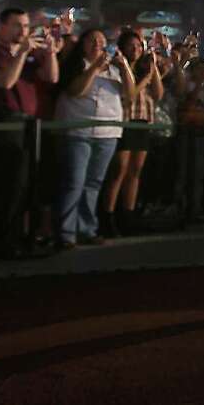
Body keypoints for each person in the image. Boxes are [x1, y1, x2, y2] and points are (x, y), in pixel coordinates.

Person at [0, 8, 58, 259]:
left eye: (25, 26)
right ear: (2, 27)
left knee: (23, 187)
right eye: (16, 26)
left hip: (28, 124)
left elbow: (52, 77)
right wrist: (22, 53)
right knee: (5, 187)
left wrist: (50, 53)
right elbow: (5, 82)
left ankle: (15, 240)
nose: (23, 31)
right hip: (5, 124)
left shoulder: (29, 54)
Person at [53, 29, 133, 249]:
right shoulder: (75, 65)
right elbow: (76, 91)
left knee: (93, 183)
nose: (98, 44)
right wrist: (96, 67)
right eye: (92, 40)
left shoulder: (114, 70)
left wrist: (124, 66)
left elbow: (130, 95)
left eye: (102, 41)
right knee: (74, 182)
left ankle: (87, 229)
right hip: (79, 132)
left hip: (107, 134)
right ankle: (65, 233)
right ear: (83, 44)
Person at [100, 29, 163, 237]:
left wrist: (153, 72)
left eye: (139, 46)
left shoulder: (144, 68)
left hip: (142, 121)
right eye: (131, 46)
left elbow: (158, 94)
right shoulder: (118, 67)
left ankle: (129, 214)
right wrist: (145, 78)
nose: (135, 50)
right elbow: (130, 95)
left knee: (136, 171)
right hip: (125, 121)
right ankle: (109, 215)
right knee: (120, 170)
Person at [175, 57, 204, 223]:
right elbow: (187, 103)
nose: (201, 72)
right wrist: (199, 84)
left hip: (203, 133)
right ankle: (179, 209)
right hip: (187, 131)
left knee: (198, 174)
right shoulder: (186, 84)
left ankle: (194, 210)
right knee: (183, 172)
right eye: (198, 69)